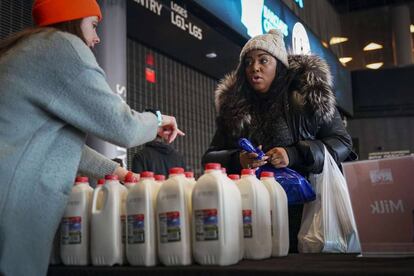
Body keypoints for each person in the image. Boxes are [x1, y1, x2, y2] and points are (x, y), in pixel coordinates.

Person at [0, 1, 184, 275]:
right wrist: (158, 119)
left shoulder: (29, 48)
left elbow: (60, 143)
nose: (97, 37)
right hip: (12, 204)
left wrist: (116, 171)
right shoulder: (63, 47)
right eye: (94, 25)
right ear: (71, 19)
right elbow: (124, 127)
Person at [202, 29, 356, 252]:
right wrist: (239, 160)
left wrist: (293, 154)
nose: (254, 67)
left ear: (280, 65)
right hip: (252, 214)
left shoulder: (308, 96)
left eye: (263, 60)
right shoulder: (234, 109)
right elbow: (210, 158)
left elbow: (342, 142)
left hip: (306, 214)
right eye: (248, 62)